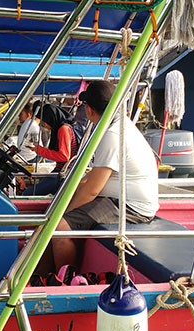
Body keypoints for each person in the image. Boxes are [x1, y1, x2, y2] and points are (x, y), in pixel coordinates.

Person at [48, 80, 159, 270]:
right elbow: (92, 180)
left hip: (131, 206)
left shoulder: (113, 134)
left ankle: (64, 284)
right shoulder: (116, 126)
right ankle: (41, 276)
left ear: (89, 110)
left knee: (59, 228)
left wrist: (64, 214)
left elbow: (92, 190)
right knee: (56, 213)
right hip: (117, 199)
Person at [25, 103, 80, 196]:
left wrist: (39, 150)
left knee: (28, 193)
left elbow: (64, 156)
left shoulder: (63, 129)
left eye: (44, 122)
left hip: (63, 172)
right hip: (61, 170)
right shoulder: (62, 128)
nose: (43, 125)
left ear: (51, 118)